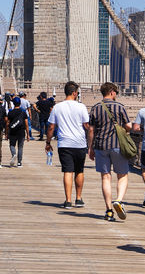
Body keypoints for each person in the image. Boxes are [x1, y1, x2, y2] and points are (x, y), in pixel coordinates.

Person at [88, 82, 132, 221]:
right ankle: (118, 200)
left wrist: (90, 147)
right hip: (118, 145)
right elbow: (128, 126)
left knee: (106, 177)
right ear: (112, 92)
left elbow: (91, 130)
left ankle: (108, 211)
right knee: (122, 175)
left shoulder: (95, 108)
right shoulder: (120, 107)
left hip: (101, 146)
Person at [46, 81, 89, 209]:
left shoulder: (57, 107)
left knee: (68, 171)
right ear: (75, 93)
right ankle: (79, 198)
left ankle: (68, 200)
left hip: (64, 143)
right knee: (79, 170)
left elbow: (51, 127)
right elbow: (87, 125)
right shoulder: (81, 107)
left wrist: (48, 142)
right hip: (80, 143)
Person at [7, 97, 30, 167]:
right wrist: (28, 134)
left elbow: (8, 124)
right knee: (20, 147)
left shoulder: (10, 112)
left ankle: (14, 154)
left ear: (13, 103)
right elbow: (26, 124)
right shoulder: (23, 112)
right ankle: (19, 163)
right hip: (21, 132)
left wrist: (6, 133)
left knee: (12, 145)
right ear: (20, 103)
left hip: (13, 131)